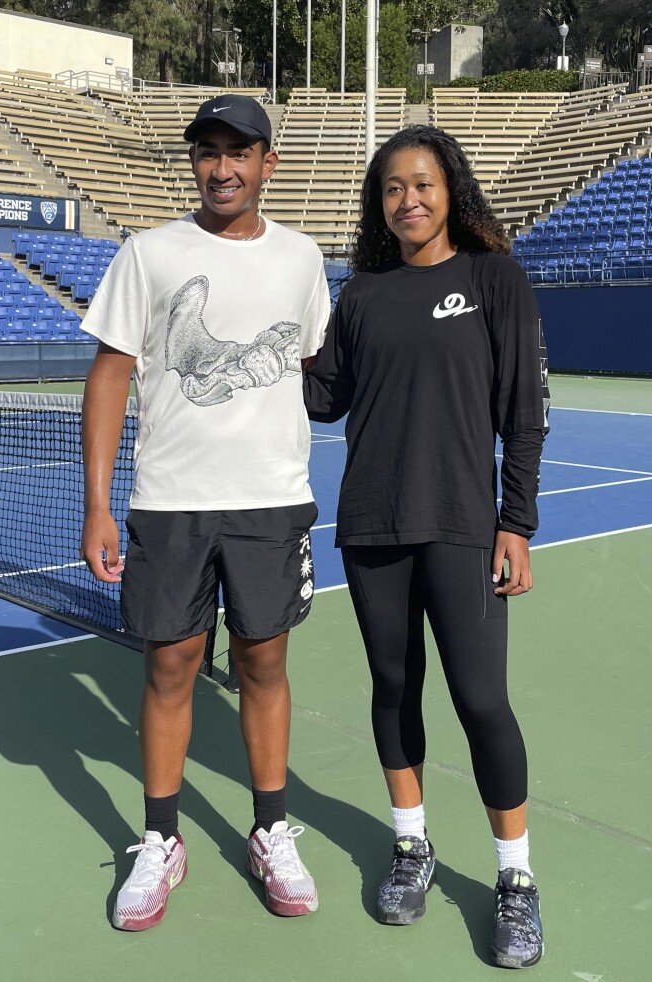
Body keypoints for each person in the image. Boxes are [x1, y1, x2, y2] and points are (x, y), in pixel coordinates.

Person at [80, 94, 330, 931]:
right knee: (169, 668)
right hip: (171, 505)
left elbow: (313, 370)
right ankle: (160, 841)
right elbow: (111, 375)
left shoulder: (302, 259)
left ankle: (270, 830)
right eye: (207, 151)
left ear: (268, 164)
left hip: (270, 503)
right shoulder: (148, 255)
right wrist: (98, 506)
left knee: (263, 664)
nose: (221, 167)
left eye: (238, 151)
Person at [304, 125, 550, 969]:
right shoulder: (362, 295)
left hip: (462, 527)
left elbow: (523, 412)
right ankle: (412, 847)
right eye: (392, 190)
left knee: (482, 701)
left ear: (452, 189)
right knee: (393, 688)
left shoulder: (494, 278)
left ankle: (515, 880)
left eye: (422, 184)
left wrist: (515, 522)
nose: (408, 200)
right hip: (371, 524)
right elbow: (321, 398)